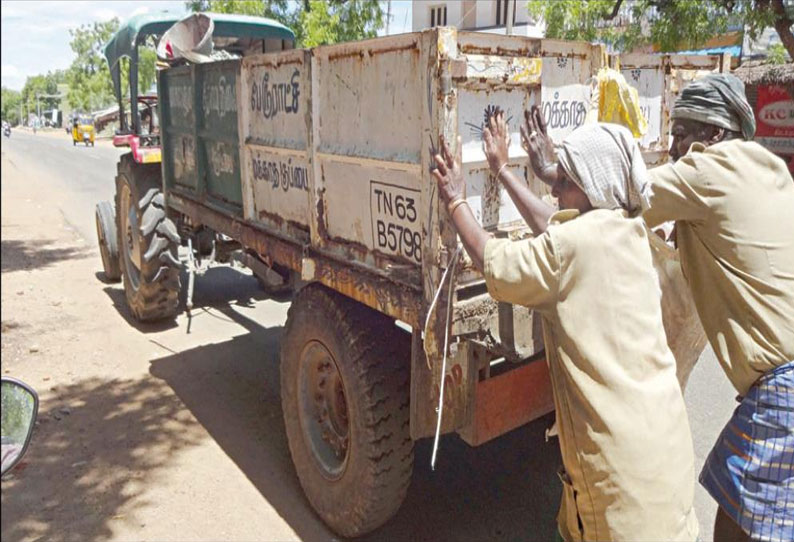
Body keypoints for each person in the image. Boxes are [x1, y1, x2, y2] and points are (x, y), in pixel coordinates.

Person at [526, 73, 794, 542]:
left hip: (781, 389)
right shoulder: (767, 168)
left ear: (714, 134)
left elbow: (616, 198)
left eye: (682, 134)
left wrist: (558, 173)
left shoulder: (709, 169)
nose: (672, 148)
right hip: (779, 383)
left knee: (738, 527)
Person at [432, 112, 699, 542]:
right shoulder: (629, 229)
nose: (553, 187)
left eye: (565, 179)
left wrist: (456, 200)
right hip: (667, 469)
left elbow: (492, 260)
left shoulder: (572, 247)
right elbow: (556, 228)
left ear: (593, 187)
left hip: (621, 493)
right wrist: (501, 169)